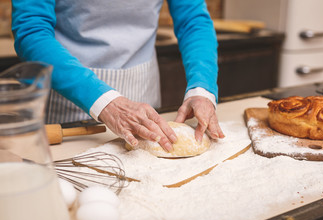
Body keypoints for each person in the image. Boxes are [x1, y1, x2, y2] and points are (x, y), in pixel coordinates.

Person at [11, 0, 225, 152]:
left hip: (145, 95)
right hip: (71, 102)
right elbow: (32, 30)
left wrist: (202, 88)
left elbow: (193, 21)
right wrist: (105, 101)